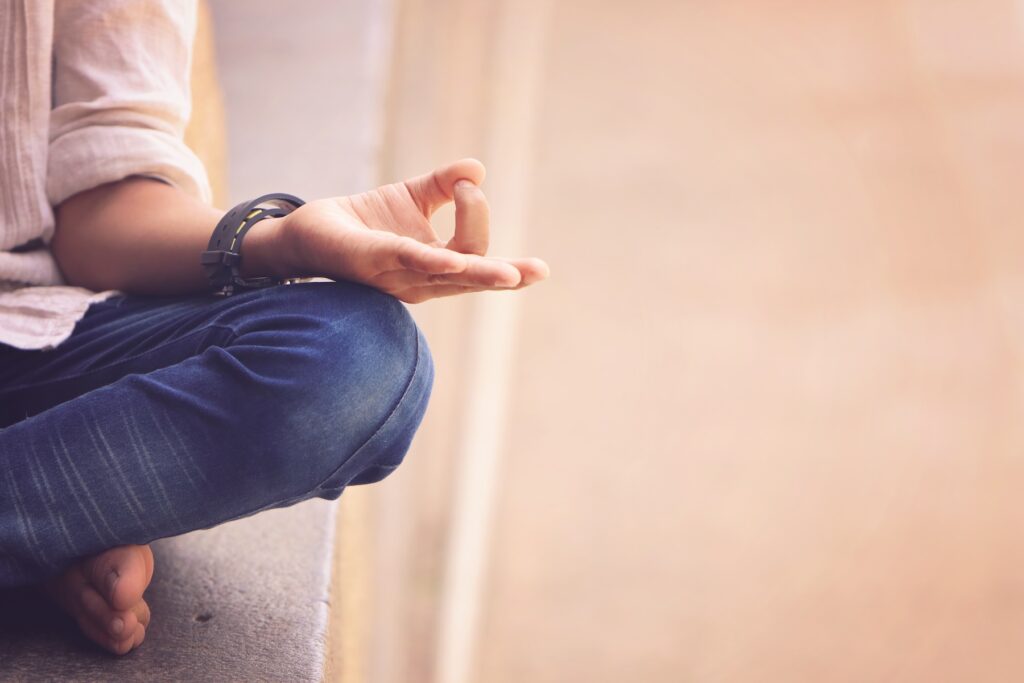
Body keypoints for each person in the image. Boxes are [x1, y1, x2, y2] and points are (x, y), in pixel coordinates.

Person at [0, 1, 548, 655]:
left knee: (359, 356)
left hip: (26, 333)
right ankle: (41, 528)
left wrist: (283, 241)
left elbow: (98, 207)